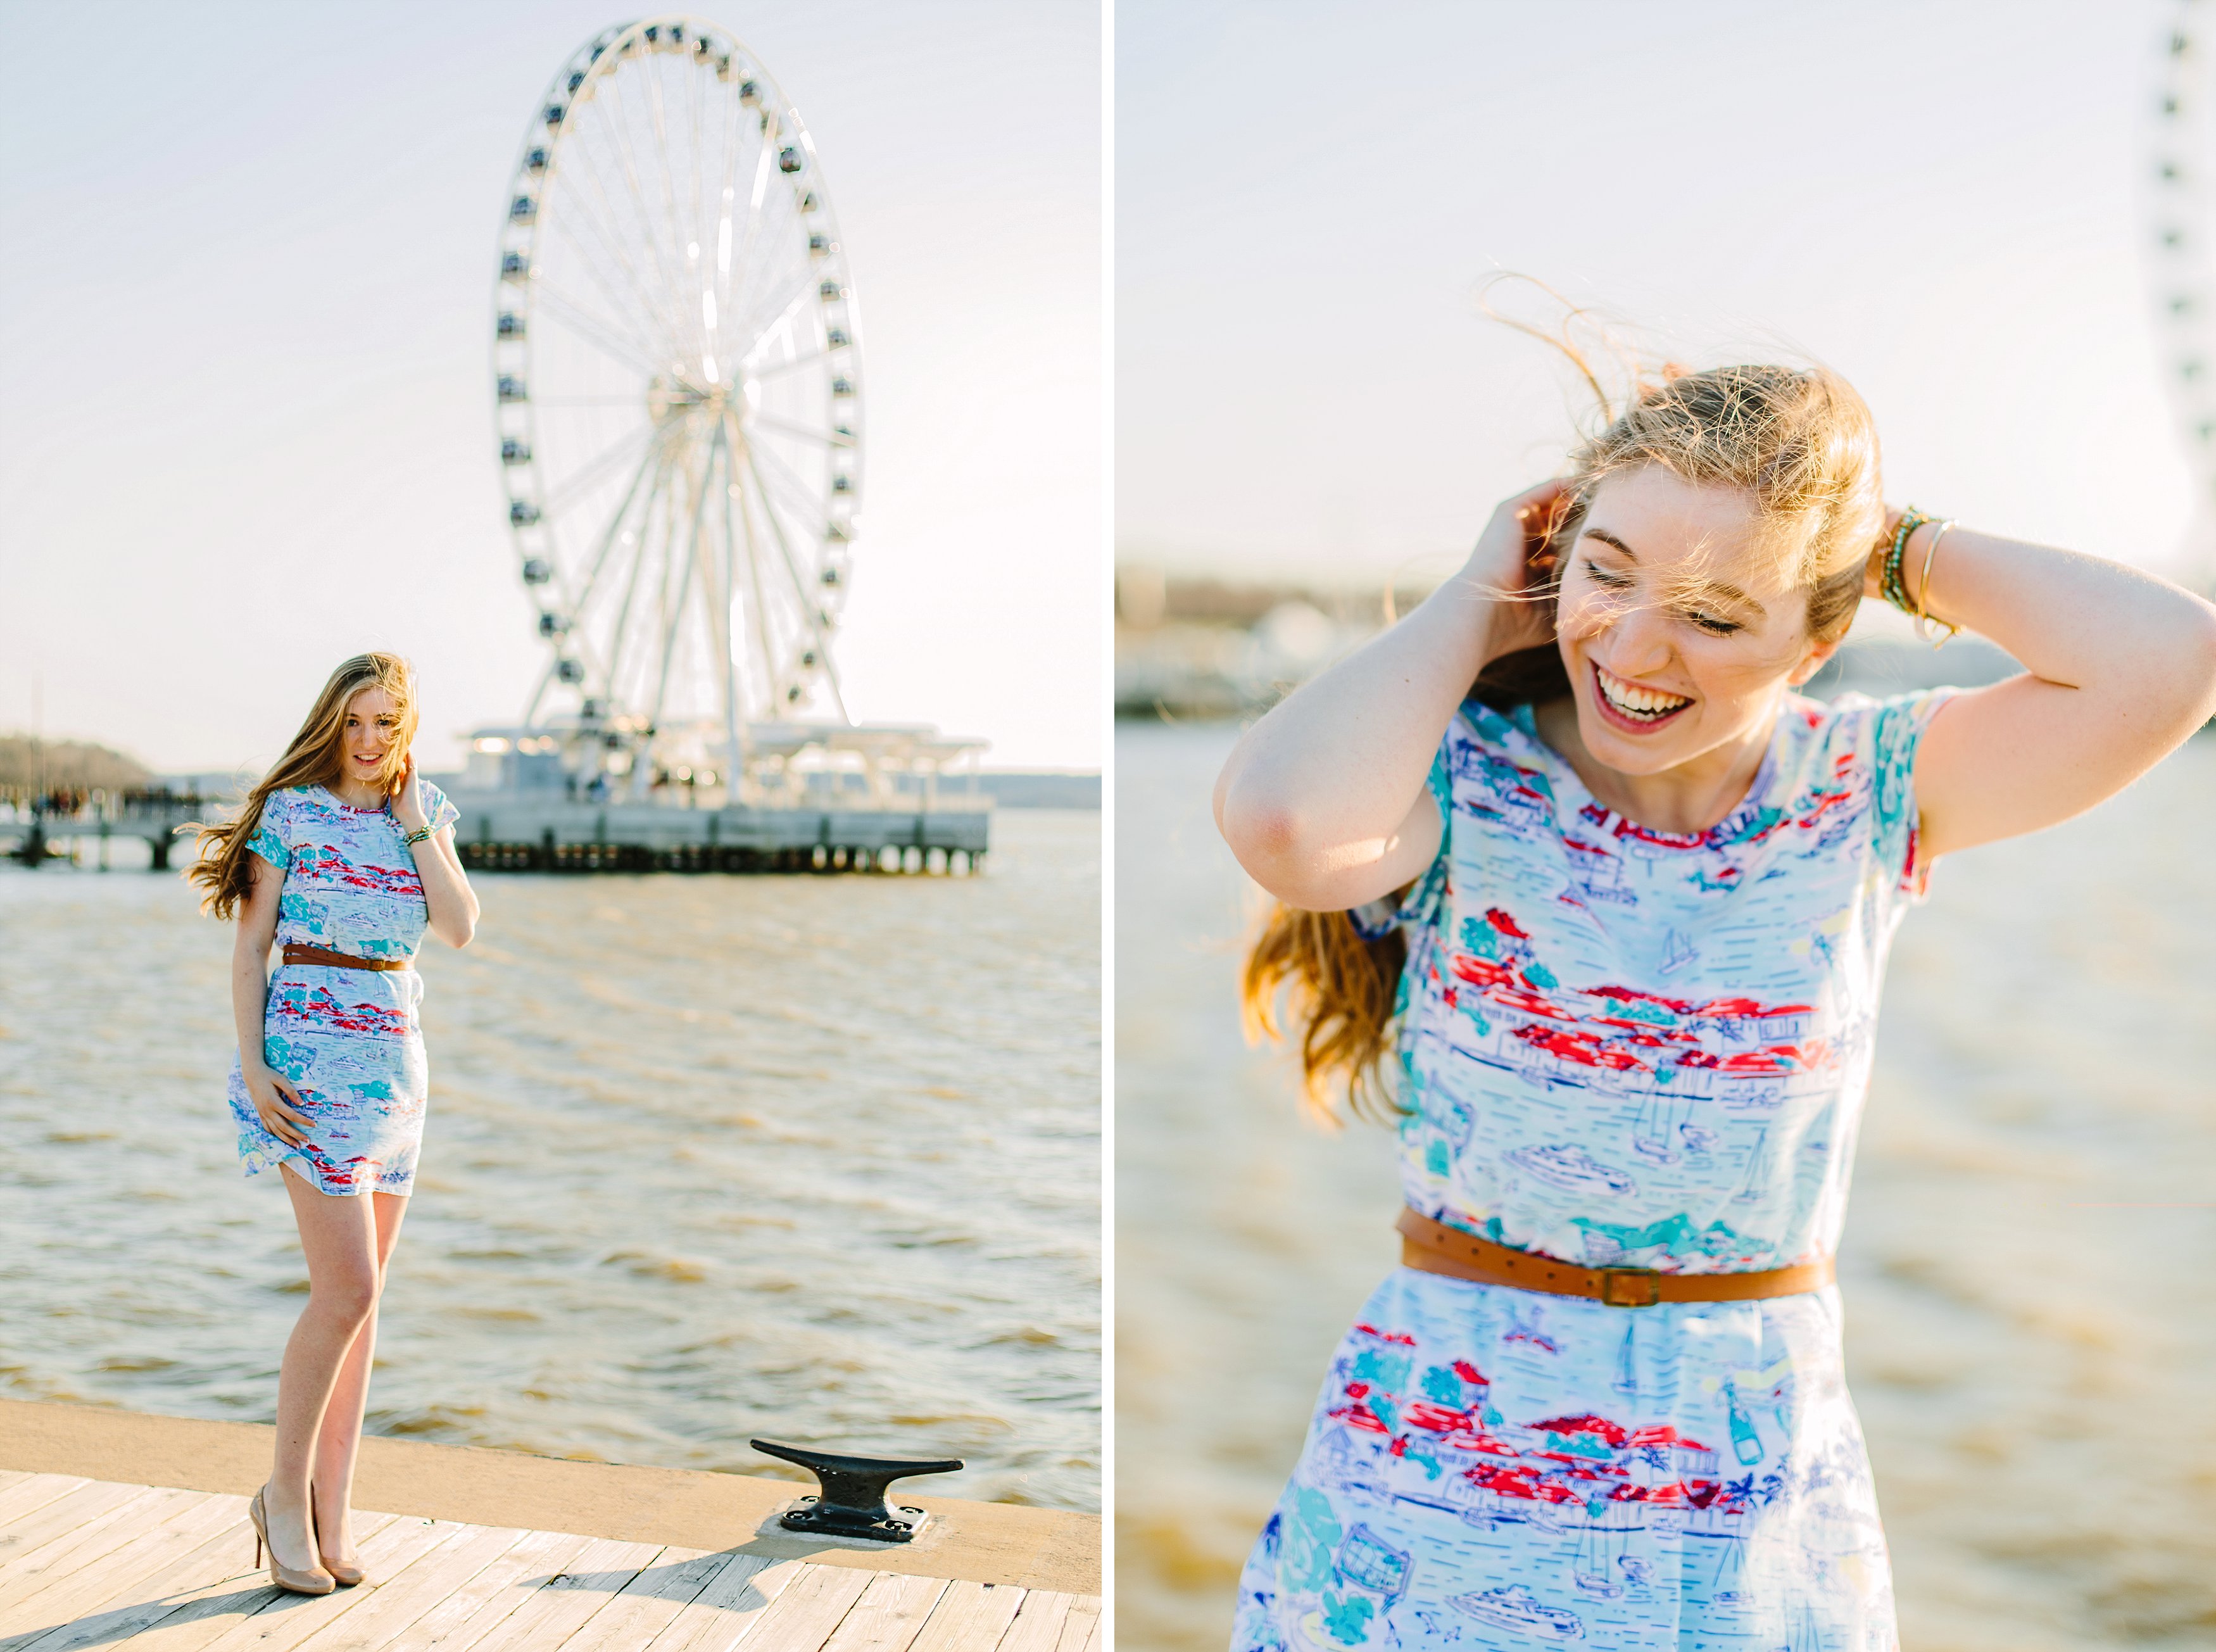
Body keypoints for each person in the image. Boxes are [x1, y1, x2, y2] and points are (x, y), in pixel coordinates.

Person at [1214, 359, 2216, 1648]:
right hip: (1436, 1503)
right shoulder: (1464, 778)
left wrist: (1887, 543)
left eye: (1715, 611)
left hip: (1747, 1517)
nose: (1635, 648)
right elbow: (1288, 823)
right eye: (1609, 571)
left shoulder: (1867, 786)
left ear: (1818, 636)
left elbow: (2174, 662)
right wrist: (1476, 598)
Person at [187, 652, 478, 1595]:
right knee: (345, 1288)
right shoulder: (294, 813)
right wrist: (255, 1063)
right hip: (309, 1066)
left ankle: (333, 1513)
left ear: (406, 730)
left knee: (367, 1304)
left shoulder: (420, 811)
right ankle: (281, 1495)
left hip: (398, 1073)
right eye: (354, 721)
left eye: (385, 724)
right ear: (332, 722)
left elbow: (462, 924)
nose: (367, 741)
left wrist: (416, 821)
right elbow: (250, 949)